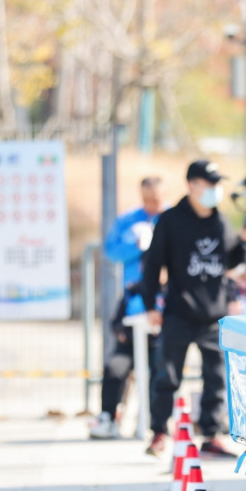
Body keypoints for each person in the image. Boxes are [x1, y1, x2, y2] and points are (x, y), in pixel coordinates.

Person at [142, 160, 246, 457]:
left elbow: (230, 261)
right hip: (178, 311)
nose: (215, 191)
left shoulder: (220, 221)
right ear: (192, 185)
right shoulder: (170, 220)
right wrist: (150, 304)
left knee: (217, 378)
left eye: (217, 184)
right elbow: (153, 264)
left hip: (213, 314)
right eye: (210, 184)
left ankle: (210, 435)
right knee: (166, 375)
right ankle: (158, 433)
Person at [91, 177, 165, 440]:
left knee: (160, 369)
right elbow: (110, 252)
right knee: (116, 367)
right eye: (147, 199)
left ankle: (157, 424)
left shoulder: (172, 219)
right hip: (134, 312)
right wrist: (136, 245)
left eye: (156, 199)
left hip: (160, 322)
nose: (152, 204)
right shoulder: (128, 222)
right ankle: (108, 417)